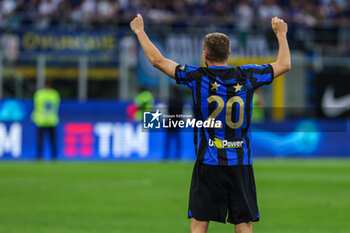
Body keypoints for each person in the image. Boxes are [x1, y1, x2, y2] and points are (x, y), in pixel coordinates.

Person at [130, 14, 291, 233]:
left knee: (199, 224)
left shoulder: (197, 76)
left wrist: (140, 31)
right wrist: (281, 34)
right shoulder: (248, 75)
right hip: (240, 162)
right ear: (229, 53)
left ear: (205, 54)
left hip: (209, 161)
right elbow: (284, 64)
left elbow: (158, 61)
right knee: (243, 224)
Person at [31, 83, 61, 161]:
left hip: (42, 120)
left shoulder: (39, 94)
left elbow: (36, 106)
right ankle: (53, 156)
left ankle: (40, 156)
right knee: (51, 140)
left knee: (42, 140)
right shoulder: (54, 94)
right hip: (51, 120)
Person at [164, 86, 184, 161]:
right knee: (177, 139)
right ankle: (178, 155)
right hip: (178, 121)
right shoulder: (181, 100)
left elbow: (168, 111)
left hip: (170, 121)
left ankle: (166, 155)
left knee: (168, 139)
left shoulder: (171, 100)